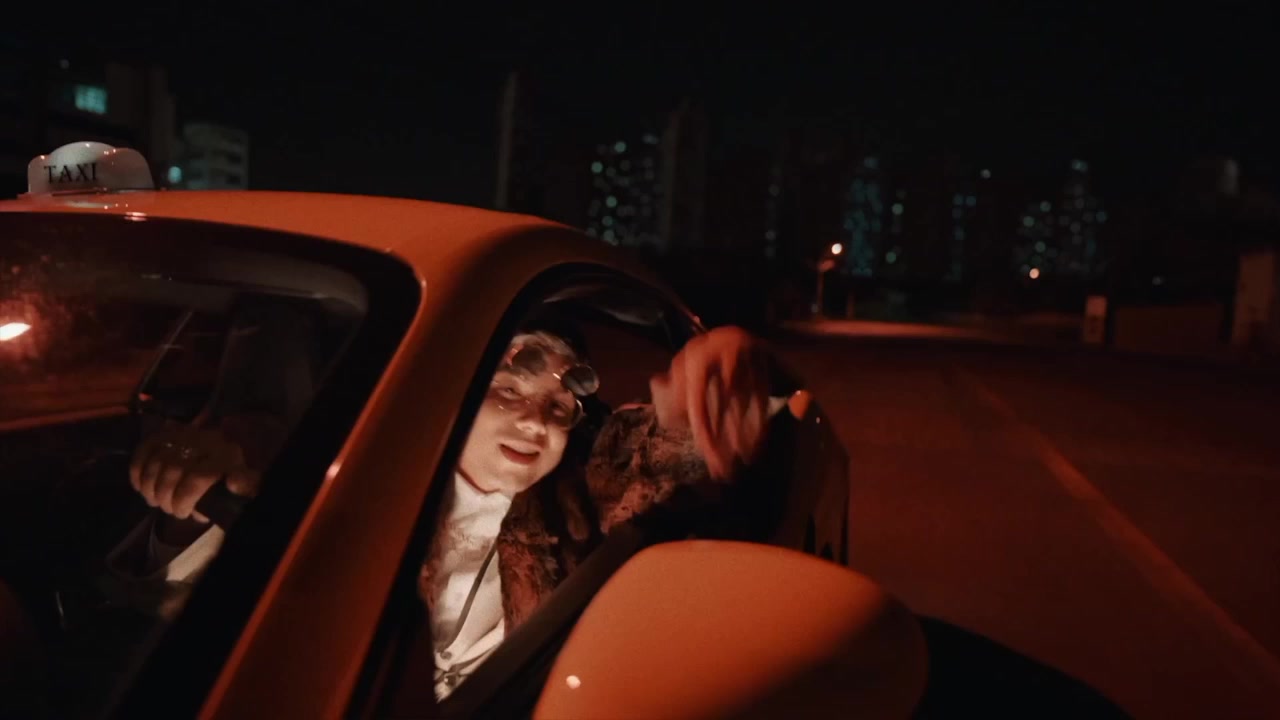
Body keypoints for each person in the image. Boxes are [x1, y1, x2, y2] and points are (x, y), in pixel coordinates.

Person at [115, 317, 783, 699]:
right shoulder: (364, 484)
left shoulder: (574, 494)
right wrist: (188, 501)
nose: (536, 422)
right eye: (508, 391)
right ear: (455, 391)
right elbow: (199, 620)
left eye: (559, 408)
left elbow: (658, 448)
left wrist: (723, 365)